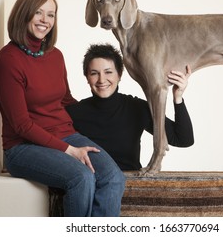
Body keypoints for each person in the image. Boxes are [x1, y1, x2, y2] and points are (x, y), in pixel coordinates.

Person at [0, 0, 125, 217]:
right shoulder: (8, 60)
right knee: (81, 177)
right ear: (23, 14)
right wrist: (68, 150)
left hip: (66, 134)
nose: (45, 20)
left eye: (51, 15)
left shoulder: (55, 55)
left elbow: (66, 100)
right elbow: (21, 124)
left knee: (113, 176)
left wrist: (104, 112)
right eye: (38, 13)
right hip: (23, 147)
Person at [66, 44, 194, 171]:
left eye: (108, 72)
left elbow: (183, 139)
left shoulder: (136, 108)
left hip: (131, 185)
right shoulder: (74, 113)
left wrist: (178, 97)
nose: (101, 80)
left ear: (119, 74)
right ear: (87, 77)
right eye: (94, 73)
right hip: (92, 185)